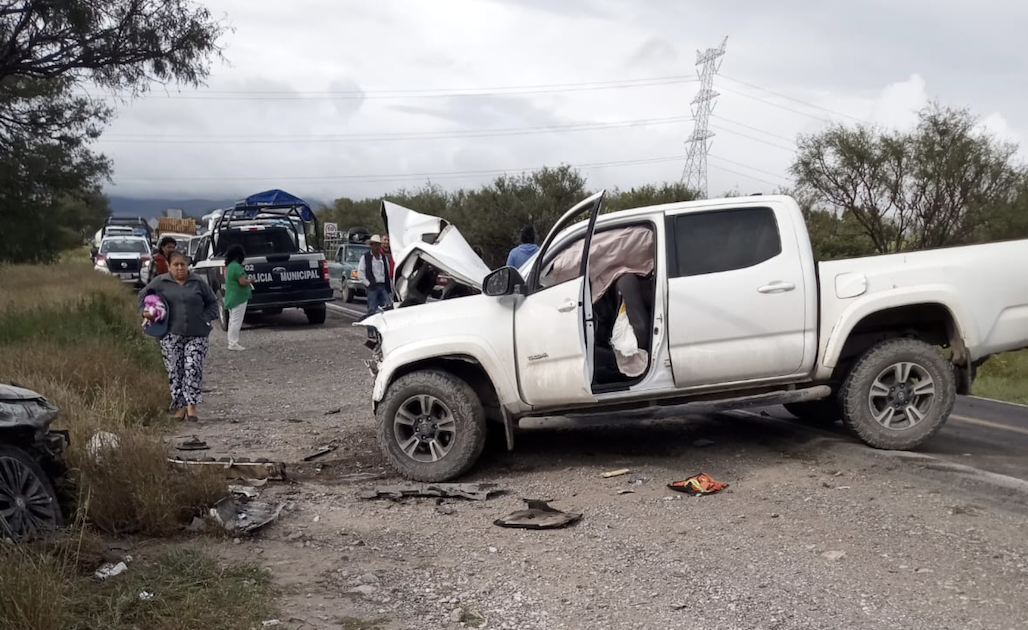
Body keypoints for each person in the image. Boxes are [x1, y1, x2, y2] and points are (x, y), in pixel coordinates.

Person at [138, 250, 219, 422]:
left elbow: (212, 302)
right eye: (176, 265)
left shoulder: (198, 282)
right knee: (175, 371)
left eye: (183, 264)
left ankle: (191, 407)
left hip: (197, 334)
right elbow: (142, 295)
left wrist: (205, 318)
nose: (180, 268)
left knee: (192, 368)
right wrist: (145, 313)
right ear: (168, 266)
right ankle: (179, 406)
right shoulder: (161, 282)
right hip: (170, 334)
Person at [223, 244, 253, 351]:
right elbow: (242, 282)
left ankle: (231, 341)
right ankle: (233, 343)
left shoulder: (229, 266)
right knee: (236, 321)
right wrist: (250, 280)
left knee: (232, 320)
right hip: (239, 297)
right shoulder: (236, 266)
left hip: (231, 297)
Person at [357, 234, 392, 328]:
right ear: (371, 245)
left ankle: (384, 329)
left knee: (387, 309)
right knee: (372, 310)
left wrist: (389, 287)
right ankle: (371, 331)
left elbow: (387, 273)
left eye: (378, 245)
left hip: (383, 286)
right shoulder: (366, 257)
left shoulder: (383, 258)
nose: (377, 247)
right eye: (375, 245)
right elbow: (360, 274)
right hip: (372, 287)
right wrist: (368, 284)